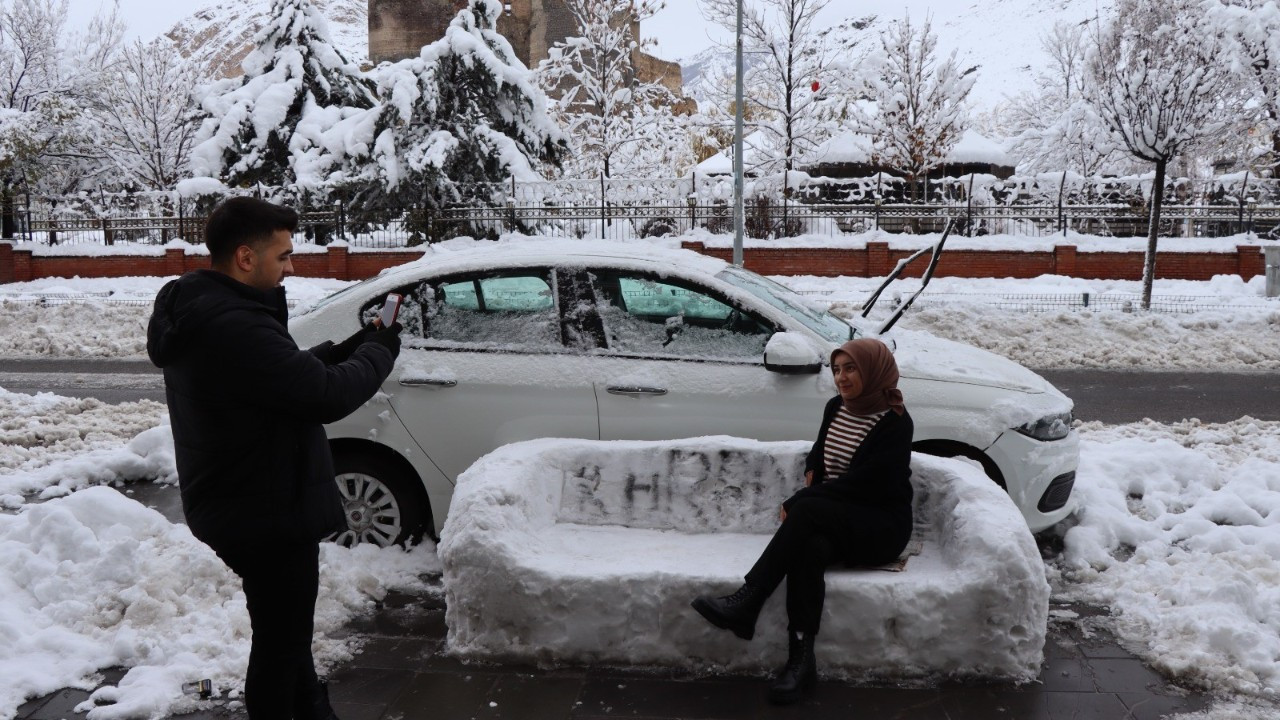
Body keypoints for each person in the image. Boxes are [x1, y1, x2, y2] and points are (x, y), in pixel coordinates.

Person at [146, 196, 402, 720]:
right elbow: (324, 397)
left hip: (241, 499)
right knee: (280, 647)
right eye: (283, 256)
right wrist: (382, 350)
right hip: (262, 511)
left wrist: (349, 346)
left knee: (284, 636)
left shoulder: (207, 309)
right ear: (245, 257)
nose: (292, 266)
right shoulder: (235, 324)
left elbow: (273, 378)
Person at [691, 337, 914, 705]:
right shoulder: (836, 407)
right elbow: (821, 448)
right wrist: (813, 468)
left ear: (875, 370)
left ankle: (749, 600)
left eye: (852, 368)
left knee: (806, 512)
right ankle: (801, 660)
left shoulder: (894, 422)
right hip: (838, 516)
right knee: (809, 548)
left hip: (880, 524)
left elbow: (866, 483)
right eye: (837, 369)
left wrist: (804, 497)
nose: (842, 378)